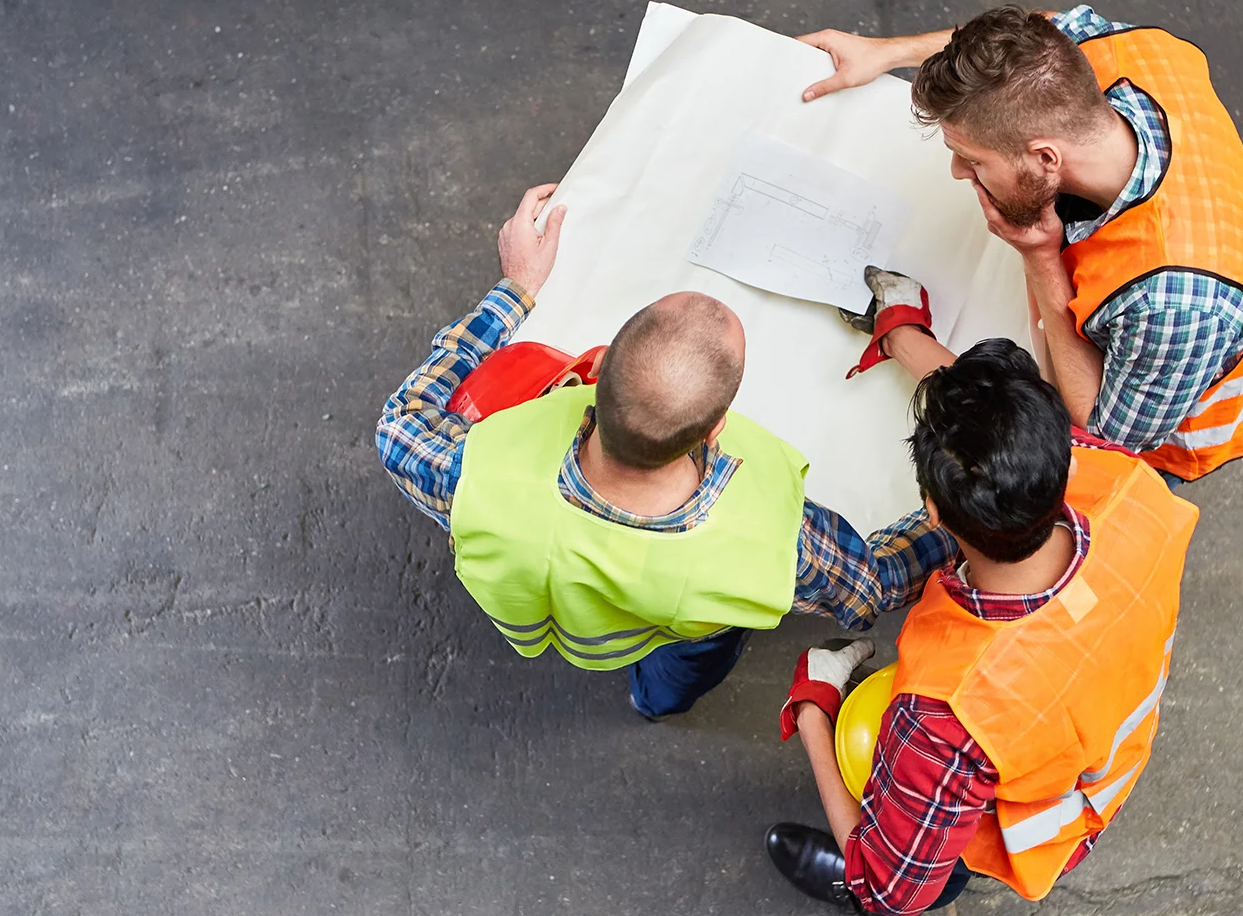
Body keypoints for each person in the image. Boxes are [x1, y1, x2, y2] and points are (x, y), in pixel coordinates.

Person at [375, 183, 957, 719]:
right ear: (716, 429)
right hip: (680, 630)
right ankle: (652, 700)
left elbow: (401, 421)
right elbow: (874, 583)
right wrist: (966, 505)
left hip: (546, 614)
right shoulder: (775, 543)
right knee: (680, 671)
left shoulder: (468, 472)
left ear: (595, 369)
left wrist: (517, 287)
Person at [765, 338, 1197, 916]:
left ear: (933, 514)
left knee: (905, 881)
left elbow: (892, 889)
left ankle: (888, 875)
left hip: (1027, 824)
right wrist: (907, 340)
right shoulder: (1128, 484)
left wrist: (815, 706)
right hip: (1104, 744)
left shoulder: (948, 716)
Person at [801, 5, 1243, 482]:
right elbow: (1034, 37)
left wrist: (1040, 256)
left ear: (1046, 158)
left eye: (972, 160)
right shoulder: (1134, 53)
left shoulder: (1174, 304)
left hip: (1173, 432)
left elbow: (1099, 436)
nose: (957, 173)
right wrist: (887, 53)